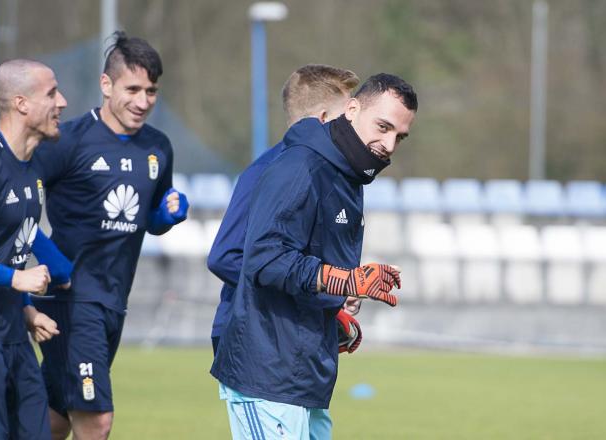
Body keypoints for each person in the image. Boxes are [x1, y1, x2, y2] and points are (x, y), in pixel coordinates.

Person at [211, 73, 418, 439]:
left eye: (399, 137)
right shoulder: (300, 165)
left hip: (306, 376)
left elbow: (308, 265)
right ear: (352, 109)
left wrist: (337, 304)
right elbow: (263, 258)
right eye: (383, 127)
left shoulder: (348, 175)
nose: (388, 144)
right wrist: (345, 280)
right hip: (268, 375)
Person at [31, 31, 189, 440]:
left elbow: (148, 219)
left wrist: (167, 216)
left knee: (56, 417)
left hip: (114, 301)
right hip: (71, 298)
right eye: (132, 89)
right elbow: (14, 209)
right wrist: (49, 258)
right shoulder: (67, 141)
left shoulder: (159, 148)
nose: (143, 101)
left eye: (151, 91)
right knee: (96, 420)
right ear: (106, 85)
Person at [207, 64, 362, 355]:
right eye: (348, 114)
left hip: (289, 339)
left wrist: (339, 290)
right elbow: (224, 257)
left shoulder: (324, 172)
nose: (354, 123)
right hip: (252, 338)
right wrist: (318, 296)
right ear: (324, 119)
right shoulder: (269, 170)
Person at [0, 59, 68, 439]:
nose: (62, 102)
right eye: (51, 93)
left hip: (15, 338)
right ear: (21, 103)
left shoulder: (31, 167)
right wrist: (16, 279)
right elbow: (9, 268)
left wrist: (27, 310)